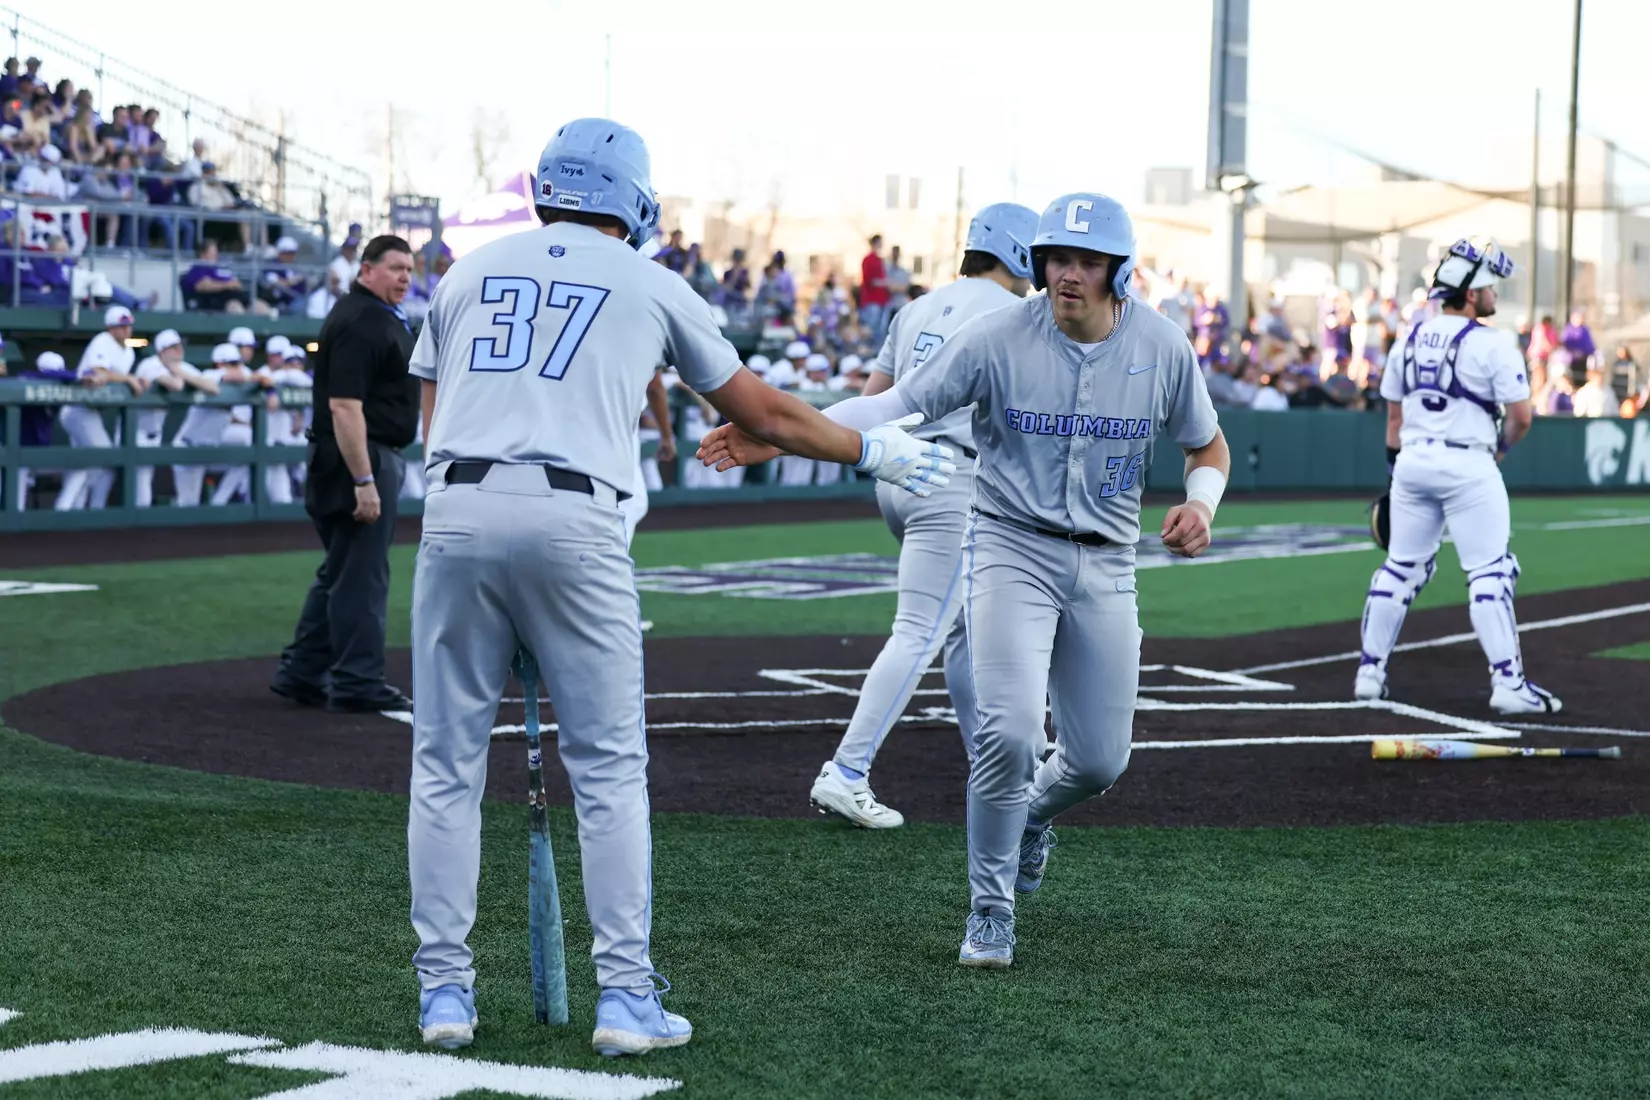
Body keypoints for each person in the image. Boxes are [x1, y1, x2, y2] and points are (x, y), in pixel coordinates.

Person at [402, 117, 952, 1057]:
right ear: (633, 200)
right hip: (576, 515)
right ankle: (625, 999)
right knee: (609, 768)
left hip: (456, 511)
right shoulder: (650, 281)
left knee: (445, 765)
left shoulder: (466, 272)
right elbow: (764, 411)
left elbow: (434, 419)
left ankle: (443, 994)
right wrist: (870, 448)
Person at [700, 192, 1229, 968]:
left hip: (1108, 562)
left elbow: (1207, 446)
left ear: (1119, 272)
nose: (1068, 274)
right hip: (1011, 548)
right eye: (1056, 258)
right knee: (1007, 733)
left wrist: (1201, 504)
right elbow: (892, 406)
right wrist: (779, 437)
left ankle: (1033, 819)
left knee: (1098, 761)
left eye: (1086, 262)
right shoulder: (998, 336)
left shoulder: (1162, 345)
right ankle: (990, 909)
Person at [802, 202, 1039, 828]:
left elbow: (872, 401)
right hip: (951, 478)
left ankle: (990, 770)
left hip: (898, 472)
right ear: (1019, 251)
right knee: (921, 631)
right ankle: (847, 771)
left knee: (961, 630)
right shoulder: (1016, 314)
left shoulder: (916, 308)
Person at [1354, 239, 1557, 715]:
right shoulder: (1493, 342)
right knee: (1490, 572)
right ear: (1469, 295)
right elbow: (1522, 418)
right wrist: (1501, 449)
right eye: (1489, 287)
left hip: (1413, 464)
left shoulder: (1407, 340)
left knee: (1400, 569)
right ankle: (1508, 683)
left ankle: (1369, 672)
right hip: (1469, 464)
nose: (1494, 294)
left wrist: (1395, 476)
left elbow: (1393, 422)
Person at [270, 236, 420, 714]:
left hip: (353, 454)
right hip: (358, 456)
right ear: (366, 270)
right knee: (362, 575)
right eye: (395, 267)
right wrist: (363, 480)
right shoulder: (363, 320)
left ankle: (301, 671)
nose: (404, 277)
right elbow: (344, 406)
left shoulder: (373, 315)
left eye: (409, 269)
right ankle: (357, 679)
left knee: (343, 568)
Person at [56, 306, 143, 511]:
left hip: (90, 411)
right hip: (78, 409)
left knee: (84, 465)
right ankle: (95, 510)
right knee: (107, 461)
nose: (127, 330)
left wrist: (132, 379)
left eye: (129, 326)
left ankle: (69, 510)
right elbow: (99, 371)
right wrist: (128, 379)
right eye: (121, 326)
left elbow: (112, 378)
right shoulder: (102, 340)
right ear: (110, 328)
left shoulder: (129, 350)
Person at [132, 329, 218, 506]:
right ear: (162, 351)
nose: (180, 350)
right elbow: (176, 386)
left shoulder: (179, 366)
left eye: (180, 346)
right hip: (135, 433)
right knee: (137, 493)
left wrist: (180, 371)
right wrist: (178, 372)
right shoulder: (150, 364)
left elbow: (213, 388)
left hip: (154, 435)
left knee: (142, 493)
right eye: (174, 347)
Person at [859, 235, 889, 343]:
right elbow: (869, 280)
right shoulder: (868, 259)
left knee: (880, 330)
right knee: (871, 329)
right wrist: (884, 283)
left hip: (882, 300)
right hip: (872, 300)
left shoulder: (880, 260)